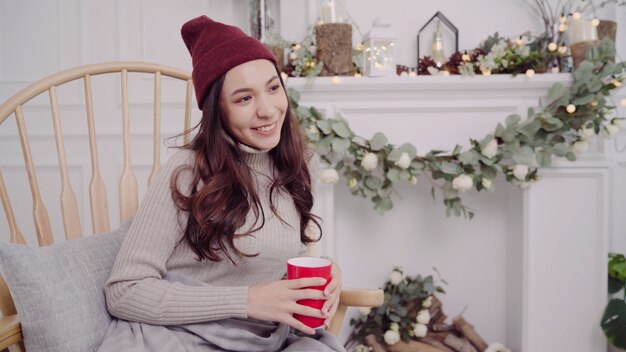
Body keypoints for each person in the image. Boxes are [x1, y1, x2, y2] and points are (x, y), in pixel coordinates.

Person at [98, 15, 345, 352]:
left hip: (266, 338)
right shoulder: (187, 172)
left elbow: (283, 258)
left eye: (273, 88)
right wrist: (245, 301)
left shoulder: (298, 165)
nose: (268, 110)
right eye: (244, 99)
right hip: (181, 336)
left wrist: (330, 273)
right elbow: (124, 290)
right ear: (219, 110)